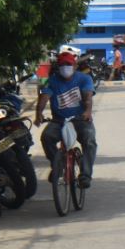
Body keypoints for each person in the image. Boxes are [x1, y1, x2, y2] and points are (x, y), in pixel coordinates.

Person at [34, 51, 97, 189]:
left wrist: (87, 112)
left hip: (80, 119)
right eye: (62, 65)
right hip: (59, 121)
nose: (65, 67)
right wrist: (38, 113)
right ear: (58, 67)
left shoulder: (84, 79)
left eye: (68, 64)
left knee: (89, 140)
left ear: (74, 66)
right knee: (46, 137)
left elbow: (88, 97)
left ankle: (85, 175)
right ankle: (58, 165)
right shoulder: (52, 81)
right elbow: (44, 98)